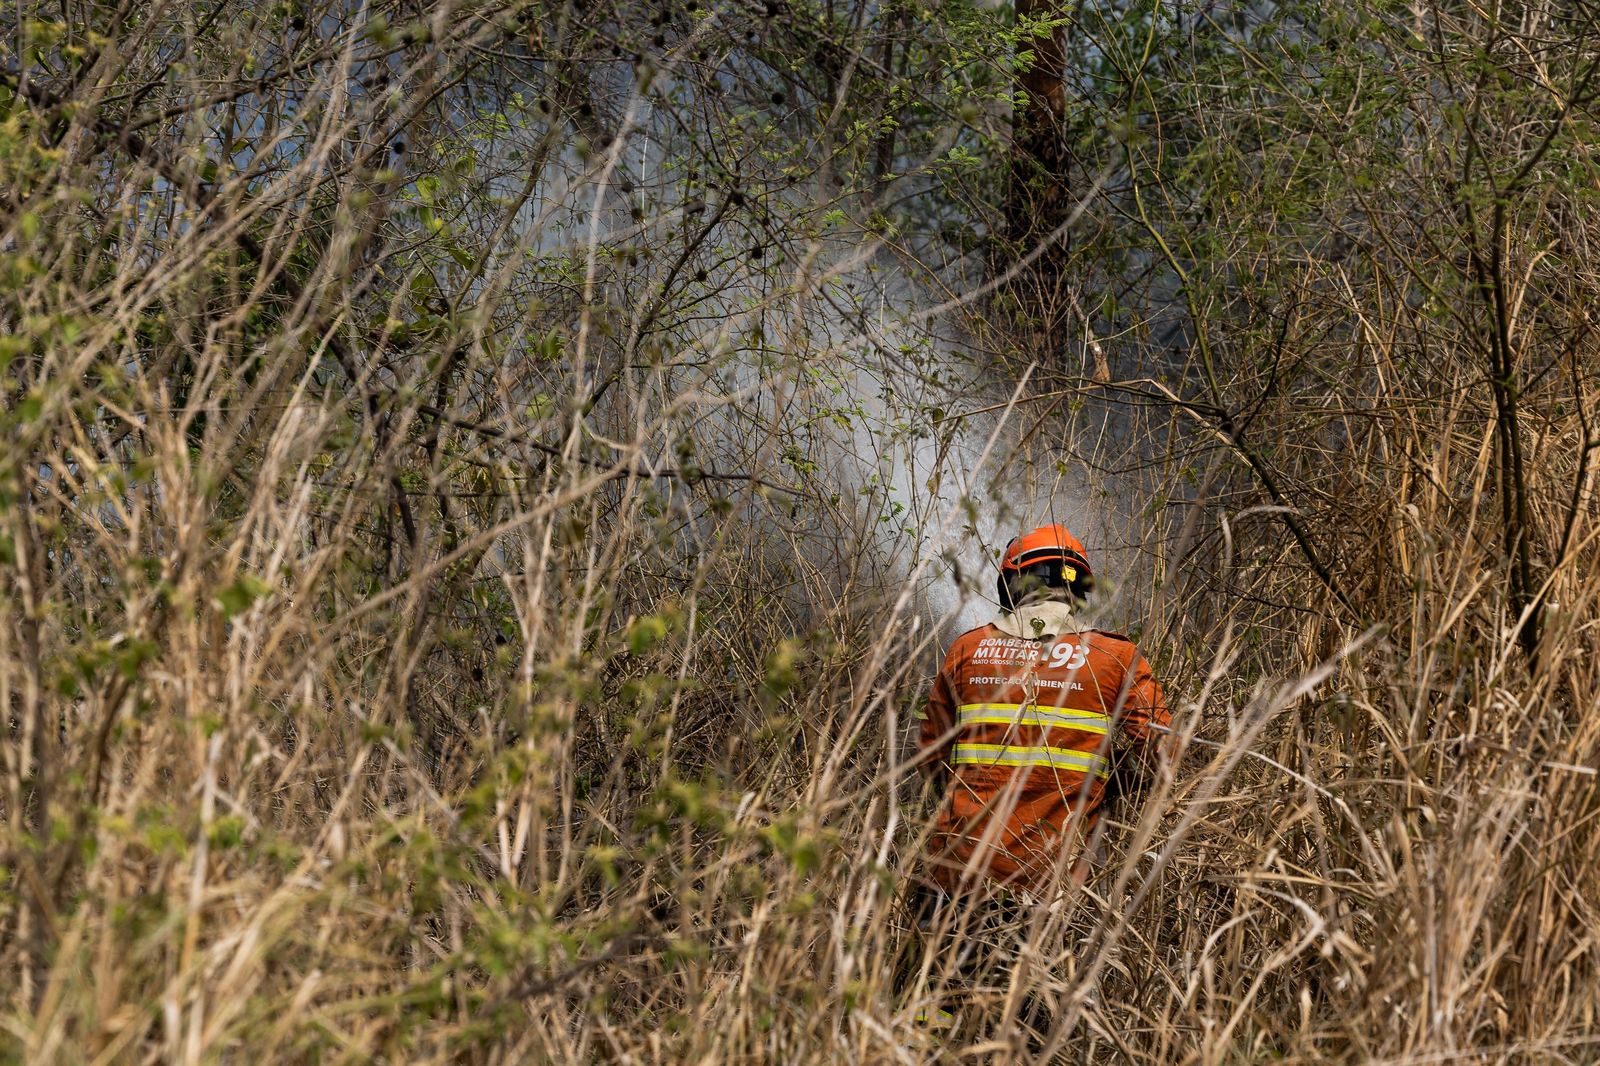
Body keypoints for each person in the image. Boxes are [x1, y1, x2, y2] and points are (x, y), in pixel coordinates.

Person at [911, 523, 1176, 1005]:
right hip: (1052, 891)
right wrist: (1110, 784)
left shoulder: (967, 651)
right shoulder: (1117, 658)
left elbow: (931, 759)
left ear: (1013, 584)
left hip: (957, 878)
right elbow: (1164, 758)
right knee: (1029, 1031)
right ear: (1080, 587)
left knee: (937, 1023)